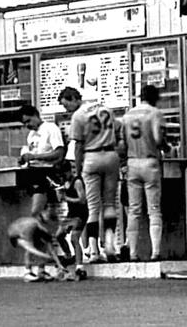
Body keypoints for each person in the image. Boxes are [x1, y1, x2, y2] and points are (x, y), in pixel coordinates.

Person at [64, 85, 123, 263]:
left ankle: (94, 249)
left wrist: (79, 171)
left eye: (66, 105)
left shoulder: (78, 116)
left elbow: (78, 146)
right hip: (111, 155)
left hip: (91, 156)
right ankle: (111, 244)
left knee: (93, 207)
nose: (66, 110)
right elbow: (119, 130)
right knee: (110, 204)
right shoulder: (105, 108)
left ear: (74, 98)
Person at [122, 84, 168, 261]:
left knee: (133, 211)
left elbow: (123, 143)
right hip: (150, 162)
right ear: (155, 97)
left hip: (132, 162)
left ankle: (133, 253)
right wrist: (166, 147)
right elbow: (158, 138)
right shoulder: (154, 113)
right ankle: (155, 252)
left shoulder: (128, 115)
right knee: (154, 210)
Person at [18, 104, 65, 220]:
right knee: (41, 213)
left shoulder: (50, 128)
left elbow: (59, 153)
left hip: (49, 173)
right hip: (34, 173)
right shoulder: (31, 135)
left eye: (28, 121)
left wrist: (35, 157)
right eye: (24, 124)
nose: (27, 125)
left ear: (35, 115)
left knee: (38, 212)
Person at [6, 213, 67, 283]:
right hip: (17, 234)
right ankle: (27, 273)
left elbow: (51, 249)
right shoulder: (31, 226)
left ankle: (41, 271)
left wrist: (60, 265)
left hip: (30, 232)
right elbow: (29, 247)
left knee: (42, 246)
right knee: (30, 249)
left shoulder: (45, 231)